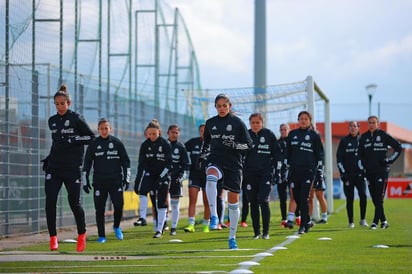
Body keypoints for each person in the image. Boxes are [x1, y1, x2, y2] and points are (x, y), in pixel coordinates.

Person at [42, 84, 95, 252]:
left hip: (72, 168)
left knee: (74, 203)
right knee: (50, 201)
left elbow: (91, 137)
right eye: (56, 104)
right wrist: (49, 158)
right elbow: (57, 143)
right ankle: (53, 238)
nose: (59, 106)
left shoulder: (76, 118)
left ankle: (82, 234)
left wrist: (74, 140)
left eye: (62, 103)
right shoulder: (52, 121)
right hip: (54, 167)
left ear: (69, 103)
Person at [199, 94, 252, 249]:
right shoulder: (210, 123)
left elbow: (249, 145)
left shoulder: (237, 123)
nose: (222, 108)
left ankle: (232, 237)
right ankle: (214, 216)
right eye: (219, 106)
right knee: (211, 176)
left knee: (233, 203)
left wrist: (235, 145)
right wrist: (202, 156)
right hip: (216, 161)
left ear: (230, 106)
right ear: (215, 107)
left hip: (234, 165)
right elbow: (206, 144)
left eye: (224, 105)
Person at [82, 118, 131, 243]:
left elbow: (126, 161)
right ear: (98, 130)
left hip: (115, 181)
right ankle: (102, 236)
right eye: (101, 129)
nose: (104, 131)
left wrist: (127, 178)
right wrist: (85, 179)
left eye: (106, 128)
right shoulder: (93, 144)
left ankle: (116, 226)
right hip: (99, 182)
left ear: (110, 129)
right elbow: (87, 163)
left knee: (119, 205)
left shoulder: (117, 143)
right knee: (100, 209)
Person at [358, 115, 402, 230]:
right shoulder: (363, 137)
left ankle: (374, 222)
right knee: (374, 198)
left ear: (378, 124)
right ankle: (384, 221)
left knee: (379, 197)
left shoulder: (383, 135)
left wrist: (390, 160)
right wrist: (362, 167)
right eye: (369, 123)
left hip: (382, 171)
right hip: (369, 172)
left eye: (373, 122)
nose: (371, 125)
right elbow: (359, 155)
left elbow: (398, 147)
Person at [285, 111, 324, 234]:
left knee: (304, 198)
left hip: (309, 171)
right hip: (294, 171)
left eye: (306, 119)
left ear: (310, 121)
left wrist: (319, 170)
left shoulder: (314, 135)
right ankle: (307, 221)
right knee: (296, 197)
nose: (303, 121)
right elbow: (287, 152)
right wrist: (286, 165)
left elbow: (320, 154)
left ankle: (302, 226)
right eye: (301, 118)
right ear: (298, 120)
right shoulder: (292, 134)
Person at [134, 119, 172, 238]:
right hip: (150, 175)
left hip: (163, 176)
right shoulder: (145, 145)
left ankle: (159, 230)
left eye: (154, 134)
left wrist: (162, 177)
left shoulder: (165, 144)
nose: (152, 136)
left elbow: (169, 165)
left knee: (161, 203)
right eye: (149, 134)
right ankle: (142, 218)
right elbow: (141, 165)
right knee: (143, 191)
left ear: (159, 132)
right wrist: (137, 182)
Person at [243, 113, 277, 239]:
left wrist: (276, 171)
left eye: (258, 122)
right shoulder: (246, 135)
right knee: (253, 203)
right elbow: (239, 153)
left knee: (263, 200)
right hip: (250, 175)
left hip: (265, 174)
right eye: (253, 123)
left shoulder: (269, 135)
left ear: (262, 123)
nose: (255, 125)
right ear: (250, 123)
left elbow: (277, 154)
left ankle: (266, 232)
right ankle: (256, 233)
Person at [336, 121, 368, 228]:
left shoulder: (362, 140)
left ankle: (363, 219)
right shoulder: (344, 141)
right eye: (351, 126)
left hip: (360, 175)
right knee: (349, 198)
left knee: (363, 196)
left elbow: (367, 157)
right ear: (348, 128)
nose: (353, 128)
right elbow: (339, 159)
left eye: (355, 126)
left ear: (358, 128)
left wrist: (365, 170)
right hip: (348, 176)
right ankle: (351, 222)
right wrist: (343, 173)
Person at [183, 124, 211, 233]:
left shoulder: (213, 144)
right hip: (194, 174)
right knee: (192, 199)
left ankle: (206, 225)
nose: (203, 133)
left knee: (207, 201)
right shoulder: (193, 142)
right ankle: (191, 224)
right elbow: (181, 149)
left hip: (207, 175)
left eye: (205, 131)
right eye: (201, 131)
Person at [166, 124, 189, 236]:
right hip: (163, 178)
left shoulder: (181, 147)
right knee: (162, 202)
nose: (174, 134)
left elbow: (186, 165)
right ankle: (161, 225)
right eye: (172, 132)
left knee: (175, 204)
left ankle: (173, 228)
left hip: (175, 179)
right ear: (168, 133)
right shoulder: (163, 144)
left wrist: (181, 177)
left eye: (176, 132)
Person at [275, 123, 290, 228]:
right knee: (282, 197)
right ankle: (284, 219)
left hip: (292, 172)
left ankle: (297, 217)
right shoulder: (277, 143)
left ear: (288, 130)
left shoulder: (292, 141)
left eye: (285, 129)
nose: (283, 131)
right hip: (281, 173)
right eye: (282, 129)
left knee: (295, 196)